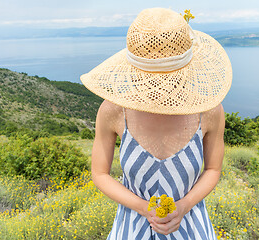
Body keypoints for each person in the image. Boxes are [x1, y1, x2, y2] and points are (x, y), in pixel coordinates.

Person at [80, 7, 232, 240]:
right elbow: (100, 173)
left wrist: (184, 205)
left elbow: (213, 169)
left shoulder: (209, 111)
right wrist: (143, 207)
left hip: (192, 228)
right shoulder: (113, 110)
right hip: (130, 228)